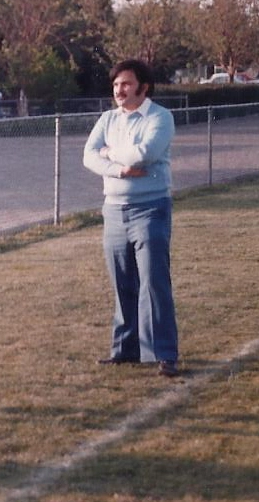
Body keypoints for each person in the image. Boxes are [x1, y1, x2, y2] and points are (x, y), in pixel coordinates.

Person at [83, 59, 180, 378]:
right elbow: (88, 156)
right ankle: (125, 350)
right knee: (122, 283)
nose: (119, 91)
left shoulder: (160, 117)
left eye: (125, 84)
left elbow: (145, 154)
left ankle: (163, 354)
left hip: (150, 208)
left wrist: (110, 152)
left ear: (143, 86)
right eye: (115, 85)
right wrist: (117, 168)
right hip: (113, 210)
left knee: (153, 282)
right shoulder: (108, 118)